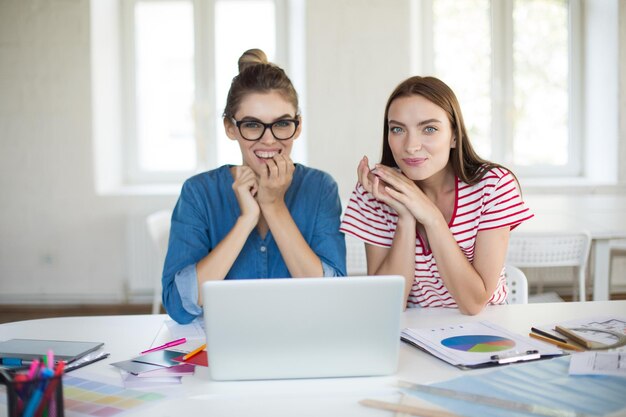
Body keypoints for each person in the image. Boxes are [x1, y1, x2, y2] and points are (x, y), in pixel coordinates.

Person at [163, 49, 346, 324]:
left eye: (282, 123)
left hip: (303, 338)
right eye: (252, 125)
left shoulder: (320, 188)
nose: (269, 140)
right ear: (230, 127)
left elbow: (331, 298)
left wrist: (273, 205)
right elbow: (179, 306)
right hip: (223, 345)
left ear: (297, 126)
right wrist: (246, 220)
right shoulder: (199, 193)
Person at [340, 76, 533, 315]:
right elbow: (387, 305)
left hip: (484, 329)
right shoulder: (375, 191)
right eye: (397, 129)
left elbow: (473, 303)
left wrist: (430, 216)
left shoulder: (493, 186)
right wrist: (406, 217)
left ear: (454, 135)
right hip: (411, 333)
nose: (410, 146)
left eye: (429, 129)